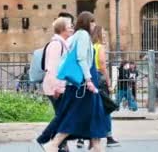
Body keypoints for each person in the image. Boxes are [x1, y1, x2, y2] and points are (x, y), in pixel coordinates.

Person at [39, 11, 110, 152]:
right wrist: (89, 80)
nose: (94, 24)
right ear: (86, 22)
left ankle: (95, 146)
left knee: (90, 116)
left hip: (80, 84)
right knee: (77, 116)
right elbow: (81, 59)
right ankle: (53, 144)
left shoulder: (75, 36)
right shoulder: (83, 35)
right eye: (92, 21)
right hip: (85, 84)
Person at [37, 17, 72, 152]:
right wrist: (57, 87)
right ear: (62, 28)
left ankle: (61, 145)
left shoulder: (62, 43)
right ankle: (43, 140)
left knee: (62, 115)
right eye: (69, 26)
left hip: (58, 86)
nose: (71, 28)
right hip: (55, 87)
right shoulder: (56, 44)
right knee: (62, 116)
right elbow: (52, 68)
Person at [92, 25, 120, 147]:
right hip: (100, 78)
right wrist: (109, 81)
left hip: (92, 78)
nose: (104, 35)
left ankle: (84, 138)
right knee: (106, 107)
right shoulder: (99, 47)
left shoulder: (91, 47)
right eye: (102, 33)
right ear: (98, 34)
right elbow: (103, 65)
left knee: (93, 108)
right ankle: (109, 137)